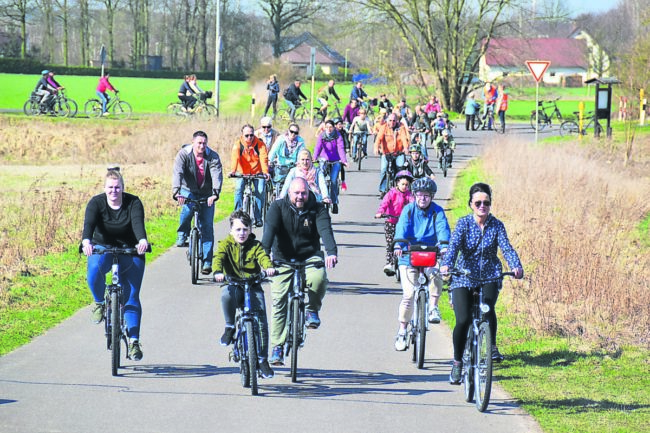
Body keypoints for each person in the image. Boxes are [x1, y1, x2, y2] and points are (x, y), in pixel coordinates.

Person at [441, 182, 523, 384]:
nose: (482, 206)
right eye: (478, 202)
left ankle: (491, 347)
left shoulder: (497, 225)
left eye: (486, 202)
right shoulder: (463, 224)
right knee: (463, 320)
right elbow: (453, 248)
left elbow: (506, 248)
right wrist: (446, 265)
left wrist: (516, 266)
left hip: (489, 275)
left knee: (487, 309)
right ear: (470, 204)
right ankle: (458, 363)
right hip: (463, 275)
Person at [262, 178, 338, 366]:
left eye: (303, 193)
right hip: (283, 259)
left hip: (309, 257)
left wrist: (331, 252)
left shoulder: (318, 208)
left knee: (318, 278)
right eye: (296, 193)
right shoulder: (277, 208)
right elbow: (269, 232)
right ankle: (277, 346)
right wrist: (263, 257)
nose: (300, 197)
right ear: (289, 192)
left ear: (308, 192)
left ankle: (312, 310)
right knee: (279, 299)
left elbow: (325, 230)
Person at [81, 169, 149, 361]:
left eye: (117, 187)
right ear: (104, 188)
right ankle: (99, 303)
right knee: (94, 270)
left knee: (132, 295)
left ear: (123, 188)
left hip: (130, 248)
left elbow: (137, 224)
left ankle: (134, 341)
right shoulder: (96, 203)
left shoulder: (133, 202)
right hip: (102, 246)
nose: (114, 191)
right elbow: (89, 224)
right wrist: (86, 242)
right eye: (110, 187)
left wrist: (142, 241)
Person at [213, 209, 277, 379]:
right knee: (226, 294)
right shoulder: (225, 244)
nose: (241, 233)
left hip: (253, 285)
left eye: (245, 229)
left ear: (250, 230)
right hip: (233, 283)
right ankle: (229, 327)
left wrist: (268, 267)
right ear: (231, 230)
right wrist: (218, 271)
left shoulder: (255, 246)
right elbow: (218, 258)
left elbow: (263, 256)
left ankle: (262, 360)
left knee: (262, 321)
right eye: (238, 229)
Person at [393, 177, 450, 351]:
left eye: (426, 195)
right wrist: (399, 245)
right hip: (408, 255)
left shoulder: (437, 212)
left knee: (436, 274)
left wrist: (445, 245)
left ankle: (433, 307)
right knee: (409, 295)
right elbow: (401, 228)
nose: (423, 198)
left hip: (430, 254)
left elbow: (443, 229)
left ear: (431, 196)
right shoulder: (408, 211)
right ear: (414, 195)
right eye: (420, 195)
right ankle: (402, 331)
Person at [172, 130, 224, 274]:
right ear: (193, 142)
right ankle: (182, 234)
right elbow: (178, 172)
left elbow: (216, 174)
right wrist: (176, 192)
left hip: (207, 193)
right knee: (187, 210)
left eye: (204, 143)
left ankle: (207, 261)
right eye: (199, 143)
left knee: (207, 225)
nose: (202, 146)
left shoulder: (212, 156)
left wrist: (215, 193)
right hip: (188, 189)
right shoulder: (184, 154)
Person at [230, 124, 270, 227]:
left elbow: (263, 158)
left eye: (251, 135)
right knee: (239, 189)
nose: (249, 138)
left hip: (257, 172)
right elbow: (235, 158)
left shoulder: (260, 144)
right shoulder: (238, 144)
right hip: (242, 171)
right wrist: (233, 171)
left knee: (260, 191)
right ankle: (237, 214)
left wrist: (265, 172)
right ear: (242, 135)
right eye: (246, 135)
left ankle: (258, 217)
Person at [375, 170, 414, 276]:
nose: (405, 186)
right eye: (402, 184)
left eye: (407, 185)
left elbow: (413, 204)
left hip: (403, 223)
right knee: (390, 243)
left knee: (407, 243)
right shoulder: (391, 193)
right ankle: (389, 264)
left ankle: (407, 262)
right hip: (391, 222)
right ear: (397, 183)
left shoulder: (409, 195)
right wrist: (380, 212)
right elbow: (384, 203)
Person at [313, 119, 348, 214]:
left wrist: (344, 160)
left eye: (331, 127)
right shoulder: (322, 136)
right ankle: (320, 199)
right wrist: (314, 158)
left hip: (335, 160)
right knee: (320, 179)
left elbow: (341, 148)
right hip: (324, 159)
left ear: (333, 127)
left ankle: (335, 202)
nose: (329, 129)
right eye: (327, 127)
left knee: (333, 180)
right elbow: (317, 147)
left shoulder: (338, 136)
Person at [375, 113, 409, 197]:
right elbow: (378, 138)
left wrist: (406, 148)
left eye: (394, 120)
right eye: (390, 120)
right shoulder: (384, 127)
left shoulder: (401, 127)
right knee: (383, 169)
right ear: (387, 120)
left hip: (398, 152)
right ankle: (383, 189)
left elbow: (404, 138)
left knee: (401, 168)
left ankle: (399, 188)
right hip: (386, 153)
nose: (392, 122)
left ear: (396, 121)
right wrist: (376, 147)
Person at [267, 123, 306, 192]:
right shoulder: (281, 139)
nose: (293, 134)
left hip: (293, 166)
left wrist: (299, 162)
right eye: (291, 131)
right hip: (281, 165)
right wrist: (269, 160)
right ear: (288, 131)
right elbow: (274, 150)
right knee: (277, 184)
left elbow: (301, 154)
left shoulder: (300, 142)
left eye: (295, 133)